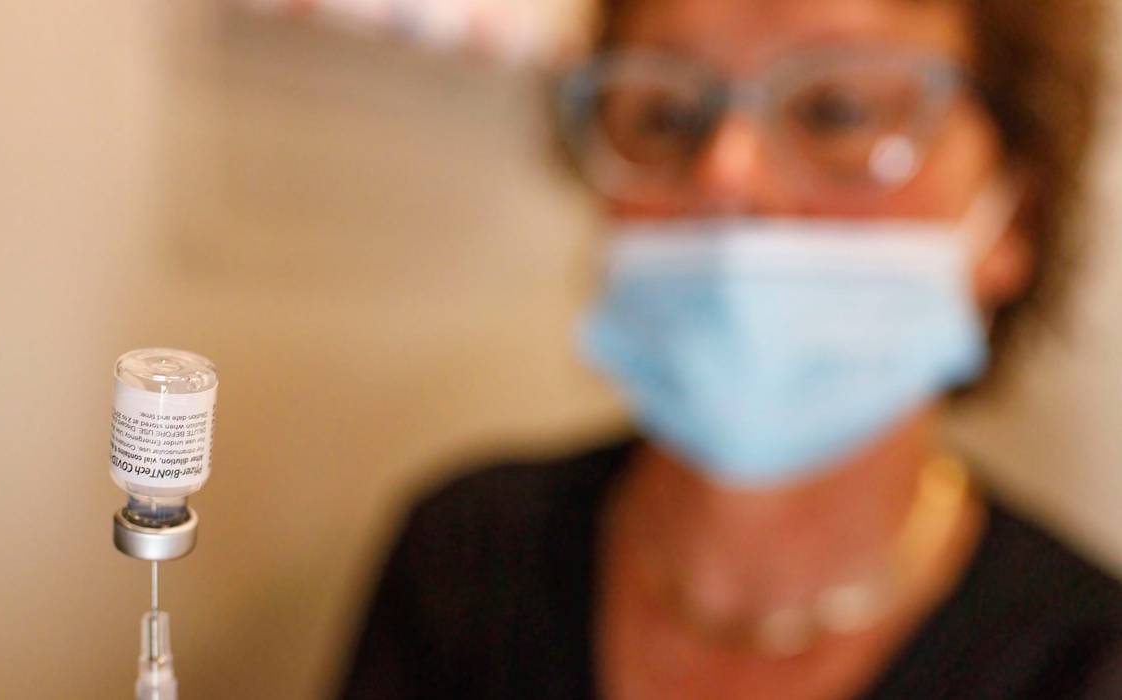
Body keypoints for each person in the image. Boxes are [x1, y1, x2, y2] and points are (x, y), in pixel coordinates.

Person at [337, 0, 1122, 697]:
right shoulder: (467, 561)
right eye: (666, 116)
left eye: (837, 112)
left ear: (1015, 209)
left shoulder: (1086, 660)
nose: (726, 171)